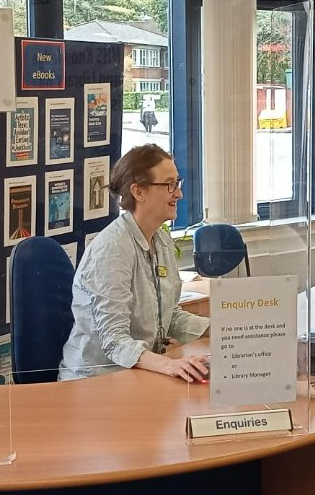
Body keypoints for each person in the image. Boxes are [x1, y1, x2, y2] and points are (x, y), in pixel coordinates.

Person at [60, 144, 210, 382]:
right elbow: (114, 339)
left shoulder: (161, 240)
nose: (178, 194)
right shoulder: (111, 249)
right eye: (169, 184)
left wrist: (224, 329)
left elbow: (170, 317)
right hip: (94, 380)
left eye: (177, 183)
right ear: (138, 192)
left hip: (135, 373)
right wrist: (169, 365)